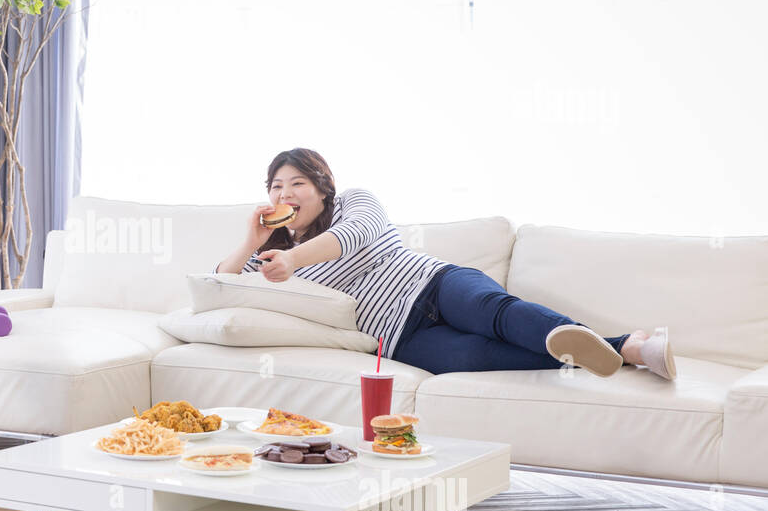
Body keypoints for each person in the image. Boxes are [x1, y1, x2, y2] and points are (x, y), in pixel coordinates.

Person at [216, 148, 677, 381]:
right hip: (397, 336)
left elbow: (350, 238)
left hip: (431, 284)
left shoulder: (354, 203)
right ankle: (627, 348)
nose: (285, 194)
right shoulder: (269, 256)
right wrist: (250, 241)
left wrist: (293, 259)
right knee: (473, 357)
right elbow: (221, 288)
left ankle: (624, 347)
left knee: (495, 313)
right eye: (276, 186)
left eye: (297, 183)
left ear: (321, 187)